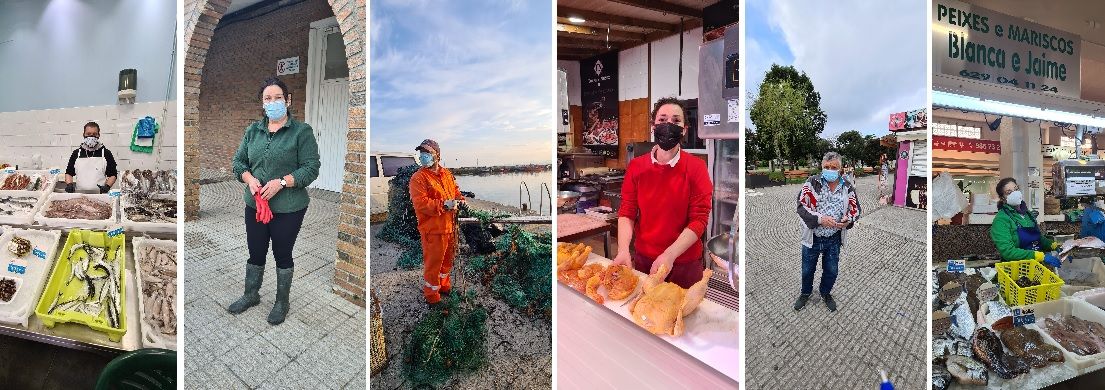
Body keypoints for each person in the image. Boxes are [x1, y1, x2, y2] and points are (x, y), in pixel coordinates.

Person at [227, 77, 321, 325]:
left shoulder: (301, 132)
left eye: (278, 97)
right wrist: (249, 179)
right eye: (267, 98)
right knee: (255, 251)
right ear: (262, 103)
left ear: (288, 101)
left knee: (282, 253)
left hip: (289, 208)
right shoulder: (252, 131)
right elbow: (238, 163)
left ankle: (282, 301)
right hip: (255, 205)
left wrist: (282, 182)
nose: (273, 102)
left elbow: (312, 168)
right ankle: (251, 294)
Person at [612, 97, 713, 288]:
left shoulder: (697, 168)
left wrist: (670, 254)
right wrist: (623, 249)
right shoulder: (636, 167)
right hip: (645, 260)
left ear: (684, 129)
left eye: (676, 121)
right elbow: (627, 211)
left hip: (685, 263)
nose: (669, 125)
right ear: (653, 126)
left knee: (684, 314)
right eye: (662, 119)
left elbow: (699, 220)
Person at [794, 152, 861, 312]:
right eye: (826, 167)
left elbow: (856, 209)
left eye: (834, 167)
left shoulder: (847, 186)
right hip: (813, 237)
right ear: (822, 167)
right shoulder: (812, 183)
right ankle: (805, 292)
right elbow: (801, 206)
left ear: (840, 169)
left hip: (834, 238)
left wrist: (848, 220)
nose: (830, 170)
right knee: (807, 269)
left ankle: (825, 292)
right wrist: (820, 219)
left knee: (831, 270)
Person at [409, 139, 465, 307]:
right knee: (433, 264)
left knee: (448, 260)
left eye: (427, 153)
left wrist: (460, 200)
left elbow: (455, 191)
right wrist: (443, 205)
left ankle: (443, 285)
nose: (423, 156)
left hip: (450, 227)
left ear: (437, 155)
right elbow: (421, 204)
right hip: (433, 230)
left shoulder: (447, 173)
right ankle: (432, 294)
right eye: (421, 153)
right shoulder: (418, 178)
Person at [990, 177, 1063, 268]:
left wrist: (1053, 245)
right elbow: (1008, 252)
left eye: (1016, 189)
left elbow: (1037, 239)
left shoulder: (1028, 215)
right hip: (1015, 270)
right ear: (1003, 198)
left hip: (1036, 267)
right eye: (1009, 192)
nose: (1015, 193)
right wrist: (1039, 256)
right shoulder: (1001, 220)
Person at [64, 122, 118, 193]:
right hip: (79, 193)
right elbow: (69, 173)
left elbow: (113, 175)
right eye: (88, 134)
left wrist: (107, 186)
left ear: (98, 135)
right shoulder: (76, 153)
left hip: (100, 194)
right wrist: (69, 184)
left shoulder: (106, 153)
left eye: (94, 134)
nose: (91, 137)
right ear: (84, 135)